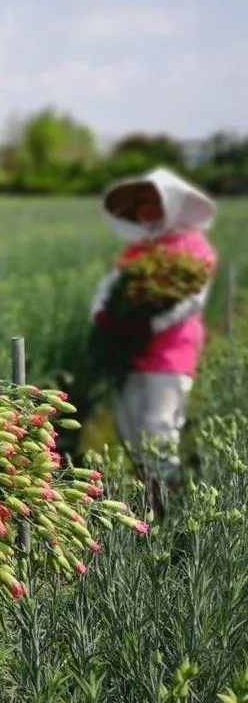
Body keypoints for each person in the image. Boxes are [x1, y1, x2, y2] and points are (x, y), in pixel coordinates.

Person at [89, 167, 217, 515]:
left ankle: (168, 511)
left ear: (171, 205)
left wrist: (148, 325)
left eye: (153, 201)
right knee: (129, 428)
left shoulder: (193, 247)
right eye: (141, 203)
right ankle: (152, 498)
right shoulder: (138, 251)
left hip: (170, 355)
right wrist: (104, 317)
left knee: (158, 429)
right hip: (128, 354)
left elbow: (190, 299)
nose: (146, 209)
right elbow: (108, 290)